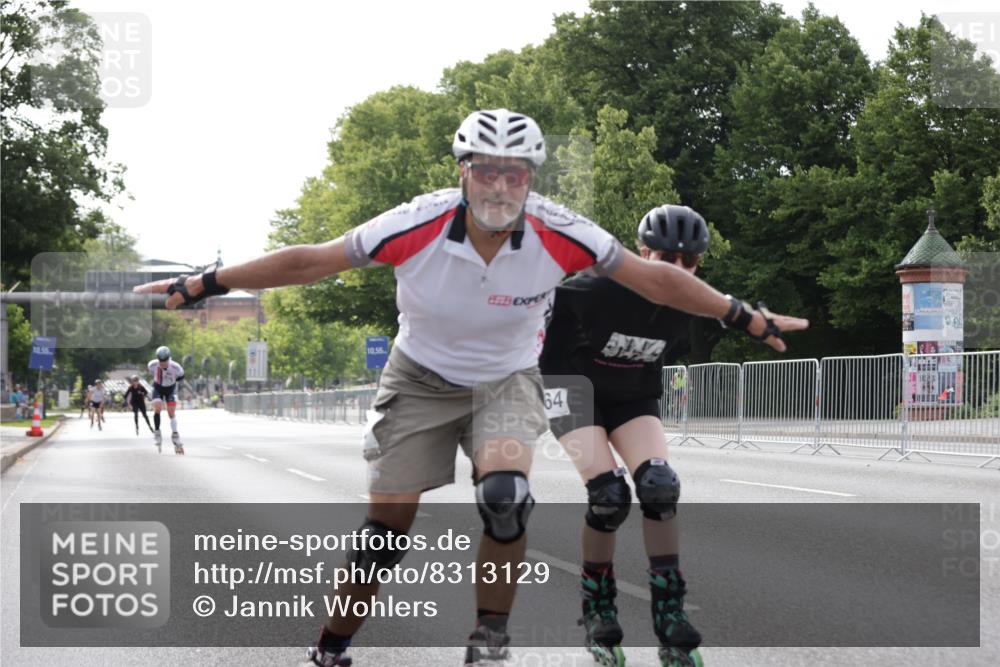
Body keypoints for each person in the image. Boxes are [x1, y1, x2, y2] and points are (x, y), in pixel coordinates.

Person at [134, 109, 807, 667]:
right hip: (419, 377)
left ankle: (489, 637)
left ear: (530, 178)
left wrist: (740, 312)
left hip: (507, 379)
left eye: (514, 173)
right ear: (463, 171)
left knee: (506, 496)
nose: (499, 185)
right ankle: (332, 645)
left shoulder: (560, 230)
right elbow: (314, 259)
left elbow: (655, 277)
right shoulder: (415, 223)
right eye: (484, 168)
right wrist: (205, 283)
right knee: (383, 534)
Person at [539, 205, 751, 667]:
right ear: (642, 253)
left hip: (633, 397)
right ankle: (598, 606)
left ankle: (669, 610)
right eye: (665, 258)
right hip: (573, 392)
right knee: (609, 497)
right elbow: (531, 322)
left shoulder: (694, 300)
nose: (678, 270)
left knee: (660, 488)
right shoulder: (594, 290)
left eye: (689, 262)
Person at [148, 346, 186, 454]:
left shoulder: (176, 367)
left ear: (169, 358)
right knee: (158, 407)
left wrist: (171, 379)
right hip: (158, 388)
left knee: (171, 413)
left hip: (171, 389)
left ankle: (175, 434)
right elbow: (152, 372)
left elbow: (181, 376)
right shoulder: (152, 364)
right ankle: (157, 431)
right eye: (160, 361)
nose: (162, 363)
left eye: (164, 361)